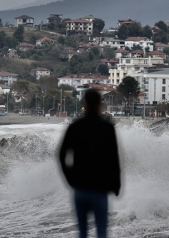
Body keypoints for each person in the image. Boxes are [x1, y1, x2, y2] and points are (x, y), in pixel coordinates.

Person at [59, 89, 121, 238]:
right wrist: (116, 184)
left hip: (80, 187)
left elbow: (61, 155)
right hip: (100, 188)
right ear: (100, 104)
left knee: (82, 233)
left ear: (84, 104)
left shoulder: (74, 127)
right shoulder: (107, 128)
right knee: (101, 232)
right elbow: (113, 158)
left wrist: (70, 179)